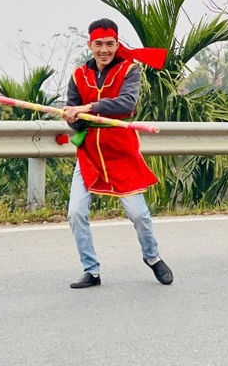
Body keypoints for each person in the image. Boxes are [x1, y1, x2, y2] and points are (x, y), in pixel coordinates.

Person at [64, 19, 173, 289]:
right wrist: (72, 116)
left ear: (116, 43)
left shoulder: (129, 70)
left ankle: (153, 257)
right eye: (98, 44)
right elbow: (73, 114)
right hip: (89, 151)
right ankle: (91, 270)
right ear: (90, 44)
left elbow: (126, 102)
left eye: (109, 44)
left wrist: (87, 107)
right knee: (75, 212)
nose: (104, 50)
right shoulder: (78, 75)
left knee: (138, 214)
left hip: (121, 150)